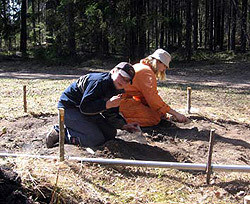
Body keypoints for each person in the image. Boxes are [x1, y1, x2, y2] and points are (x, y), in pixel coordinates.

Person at [46, 62, 139, 148]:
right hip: (69, 108)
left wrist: (123, 125)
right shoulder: (98, 82)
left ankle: (75, 129)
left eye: (127, 81)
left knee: (110, 133)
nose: (123, 82)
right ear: (114, 71)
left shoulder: (117, 89)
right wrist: (106, 105)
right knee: (95, 139)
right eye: (121, 77)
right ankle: (61, 132)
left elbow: (111, 113)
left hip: (86, 111)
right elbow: (85, 107)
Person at [119, 48, 189, 127]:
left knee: (158, 114)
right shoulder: (146, 72)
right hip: (118, 102)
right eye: (165, 66)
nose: (164, 69)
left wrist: (161, 112)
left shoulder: (141, 67)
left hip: (121, 101)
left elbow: (143, 97)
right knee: (154, 118)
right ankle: (118, 121)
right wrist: (175, 113)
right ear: (158, 62)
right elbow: (153, 99)